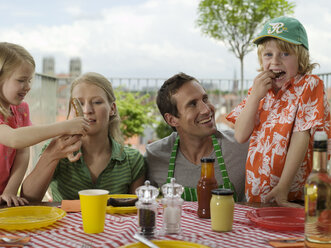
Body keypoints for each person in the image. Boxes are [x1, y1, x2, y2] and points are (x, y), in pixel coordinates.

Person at [226, 16, 331, 207]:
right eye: (268, 54)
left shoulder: (309, 85)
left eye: (284, 54)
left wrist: (283, 188)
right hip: (257, 193)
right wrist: (255, 97)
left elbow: (302, 136)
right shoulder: (258, 90)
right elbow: (240, 135)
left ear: (301, 58)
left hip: (292, 193)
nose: (275, 61)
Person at [21, 72, 146, 202]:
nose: (87, 110)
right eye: (79, 103)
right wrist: (51, 155)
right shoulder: (58, 150)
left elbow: (136, 211)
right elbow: (28, 199)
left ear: (112, 109)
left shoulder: (132, 160)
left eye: (97, 102)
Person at [0, 42, 89, 207]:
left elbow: (22, 153)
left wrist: (10, 191)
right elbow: (14, 139)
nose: (28, 87)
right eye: (21, 80)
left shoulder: (21, 110)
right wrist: (65, 126)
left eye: (29, 80)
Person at [145, 72, 249, 202]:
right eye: (192, 104)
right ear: (172, 119)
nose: (207, 110)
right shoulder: (154, 157)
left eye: (205, 99)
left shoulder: (242, 147)